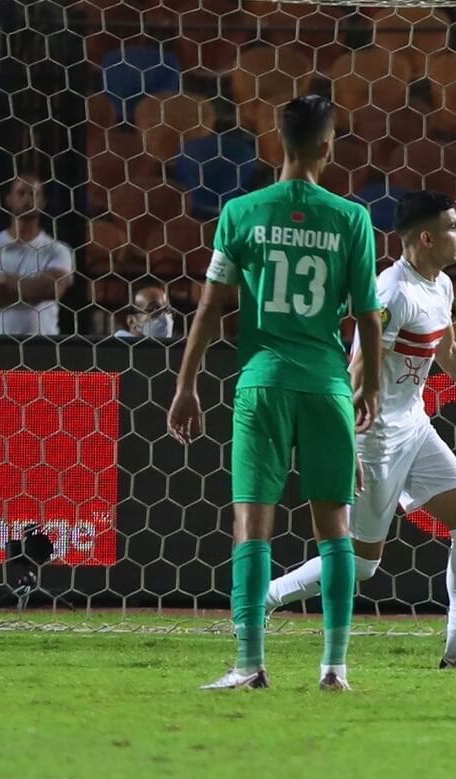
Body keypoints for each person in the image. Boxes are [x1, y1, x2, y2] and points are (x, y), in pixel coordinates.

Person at [264, 190, 456, 670]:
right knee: (361, 565)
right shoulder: (392, 293)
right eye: (453, 227)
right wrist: (344, 444)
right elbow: (357, 370)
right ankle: (264, 597)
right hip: (375, 438)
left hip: (414, 426)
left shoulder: (441, 285)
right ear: (426, 238)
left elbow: (448, 351)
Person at [167, 94, 384, 692]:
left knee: (251, 523)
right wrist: (368, 387)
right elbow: (369, 319)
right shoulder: (351, 218)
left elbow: (211, 307)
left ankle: (248, 664)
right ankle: (335, 668)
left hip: (262, 382)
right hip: (327, 385)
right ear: (328, 145)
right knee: (335, 526)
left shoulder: (240, 212)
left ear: (277, 143)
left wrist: (186, 384)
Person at [0, 174, 74, 336]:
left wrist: (3, 279)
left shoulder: (57, 250)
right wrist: (33, 289)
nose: (28, 199)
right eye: (21, 193)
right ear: (8, 199)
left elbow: (52, 289)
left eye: (34, 194)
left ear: (43, 202)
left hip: (42, 343)